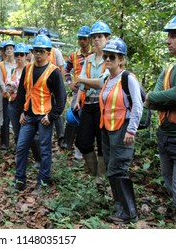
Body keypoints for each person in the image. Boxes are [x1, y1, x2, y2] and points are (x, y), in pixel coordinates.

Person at [146, 12, 176, 229]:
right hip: (165, 139)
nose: (168, 40)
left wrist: (174, 95)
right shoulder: (168, 71)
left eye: (174, 36)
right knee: (175, 191)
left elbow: (171, 96)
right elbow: (152, 99)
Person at [13, 34, 66, 193]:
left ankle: (43, 182)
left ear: (48, 53)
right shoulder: (28, 68)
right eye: (35, 51)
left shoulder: (54, 72)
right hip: (28, 116)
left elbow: (61, 98)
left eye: (41, 51)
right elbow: (22, 91)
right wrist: (22, 111)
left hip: (44, 118)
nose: (37, 54)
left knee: (44, 149)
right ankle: (19, 179)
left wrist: (51, 116)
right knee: (21, 147)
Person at [99, 38, 142, 224]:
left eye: (112, 56)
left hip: (123, 128)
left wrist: (131, 130)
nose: (108, 59)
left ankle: (129, 212)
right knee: (111, 168)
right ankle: (120, 207)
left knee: (119, 168)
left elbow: (138, 105)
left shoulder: (128, 78)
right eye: (106, 55)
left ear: (121, 59)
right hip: (107, 129)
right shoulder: (107, 79)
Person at [74, 21, 111, 188]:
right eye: (94, 37)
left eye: (100, 36)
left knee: (102, 143)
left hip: (104, 106)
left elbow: (103, 83)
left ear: (107, 38)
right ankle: (96, 173)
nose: (96, 40)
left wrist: (86, 81)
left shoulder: (110, 58)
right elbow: (81, 83)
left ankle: (100, 180)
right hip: (88, 104)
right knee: (82, 141)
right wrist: (89, 82)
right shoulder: (88, 59)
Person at [62, 26, 93, 162]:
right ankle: (76, 152)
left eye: (84, 39)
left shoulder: (96, 54)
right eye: (80, 39)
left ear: (90, 39)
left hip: (92, 92)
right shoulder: (73, 56)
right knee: (74, 119)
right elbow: (66, 70)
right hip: (78, 92)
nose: (82, 41)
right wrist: (69, 83)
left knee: (89, 122)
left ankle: (88, 150)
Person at [7, 43, 41, 164]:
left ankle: (38, 159)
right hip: (13, 104)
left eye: (21, 55)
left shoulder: (31, 69)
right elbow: (7, 86)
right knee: (17, 132)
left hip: (28, 105)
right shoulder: (12, 70)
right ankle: (22, 159)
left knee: (32, 132)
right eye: (17, 55)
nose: (19, 57)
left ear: (26, 55)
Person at [37, 27, 66, 149]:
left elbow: (62, 68)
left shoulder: (55, 52)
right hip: (42, 87)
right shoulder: (36, 52)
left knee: (57, 109)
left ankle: (61, 136)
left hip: (54, 84)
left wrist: (60, 85)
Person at [0, 40, 16, 151]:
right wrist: (6, 92)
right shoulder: (1, 65)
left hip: (17, 95)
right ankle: (4, 143)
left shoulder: (17, 63)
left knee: (17, 118)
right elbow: (1, 80)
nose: (9, 51)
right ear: (4, 51)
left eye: (11, 48)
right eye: (7, 49)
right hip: (6, 95)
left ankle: (18, 143)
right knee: (5, 118)